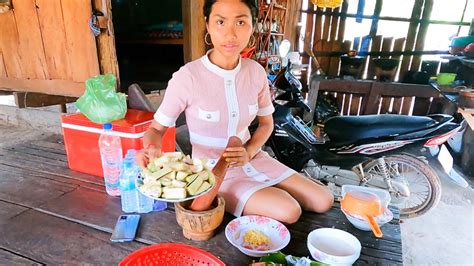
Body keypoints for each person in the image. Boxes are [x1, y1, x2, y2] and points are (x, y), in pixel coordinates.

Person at [137, 0, 333, 224]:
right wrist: (152, 148)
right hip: (212, 172)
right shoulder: (187, 77)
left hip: (255, 158)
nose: (230, 34)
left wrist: (249, 151)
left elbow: (266, 124)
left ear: (252, 25)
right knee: (289, 210)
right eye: (220, 22)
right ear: (208, 25)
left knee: (323, 200)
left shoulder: (255, 72)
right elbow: (155, 129)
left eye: (240, 22)